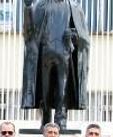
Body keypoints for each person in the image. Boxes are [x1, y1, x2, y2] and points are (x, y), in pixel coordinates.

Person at [21, 0, 89, 129]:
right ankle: (46, 120)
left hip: (65, 54)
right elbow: (28, 32)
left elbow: (84, 36)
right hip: (44, 54)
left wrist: (74, 34)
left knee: (63, 88)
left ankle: (61, 120)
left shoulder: (74, 7)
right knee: (44, 89)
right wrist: (28, 8)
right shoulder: (40, 5)